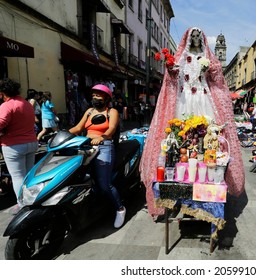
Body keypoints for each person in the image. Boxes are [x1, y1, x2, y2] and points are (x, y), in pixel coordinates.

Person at [140, 27, 245, 219]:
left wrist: (211, 69)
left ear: (202, 38)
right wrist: (170, 68)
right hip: (184, 99)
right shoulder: (183, 55)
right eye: (193, 36)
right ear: (188, 39)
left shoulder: (208, 55)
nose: (196, 39)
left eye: (198, 36)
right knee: (182, 136)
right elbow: (173, 78)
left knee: (205, 136)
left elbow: (218, 78)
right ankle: (180, 186)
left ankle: (206, 183)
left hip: (204, 97)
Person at [69, 84, 126, 228]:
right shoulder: (89, 112)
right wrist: (62, 135)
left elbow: (112, 128)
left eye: (98, 95)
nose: (95, 97)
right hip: (86, 147)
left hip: (104, 146)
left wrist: (103, 137)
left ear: (106, 98)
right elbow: (78, 128)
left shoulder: (111, 112)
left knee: (104, 184)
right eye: (93, 95)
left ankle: (120, 209)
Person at [0, 78, 38, 213]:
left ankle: (23, 205)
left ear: (2, 93)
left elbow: (1, 122)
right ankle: (32, 201)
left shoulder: (6, 105)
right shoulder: (26, 103)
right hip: (31, 142)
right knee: (28, 175)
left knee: (17, 177)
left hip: (14, 146)